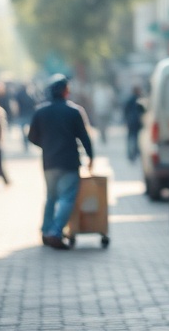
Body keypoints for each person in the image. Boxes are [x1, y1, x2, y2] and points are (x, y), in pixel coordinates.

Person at [28, 74, 95, 250]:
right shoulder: (74, 111)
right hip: (69, 162)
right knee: (67, 198)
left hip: (49, 162)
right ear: (66, 92)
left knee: (51, 198)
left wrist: (47, 146)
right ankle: (55, 232)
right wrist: (90, 157)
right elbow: (84, 137)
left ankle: (45, 231)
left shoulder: (40, 111)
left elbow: (32, 137)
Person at [123, 86, 145, 163]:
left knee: (131, 138)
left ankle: (131, 154)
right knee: (135, 139)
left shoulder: (130, 100)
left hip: (131, 122)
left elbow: (125, 111)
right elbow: (143, 111)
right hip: (136, 122)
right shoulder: (139, 100)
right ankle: (134, 154)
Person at [90, 80, 115, 145]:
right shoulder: (104, 92)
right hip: (103, 110)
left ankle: (103, 136)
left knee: (102, 125)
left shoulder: (98, 93)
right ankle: (103, 136)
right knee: (103, 125)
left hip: (101, 111)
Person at [15, 83, 37, 153]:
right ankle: (27, 141)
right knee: (29, 130)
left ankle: (26, 142)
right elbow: (35, 104)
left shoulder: (19, 94)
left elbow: (16, 105)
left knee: (23, 131)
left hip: (22, 114)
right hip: (29, 115)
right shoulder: (30, 94)